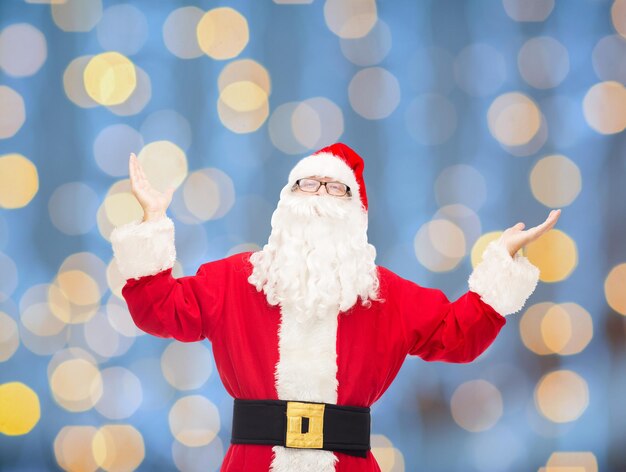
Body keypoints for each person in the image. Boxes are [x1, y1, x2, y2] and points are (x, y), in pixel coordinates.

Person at [111, 143, 561, 472]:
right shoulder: (234, 281)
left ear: (356, 213)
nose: (320, 196)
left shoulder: (385, 296)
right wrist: (152, 222)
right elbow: (160, 309)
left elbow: (458, 335)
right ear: (286, 202)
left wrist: (502, 261)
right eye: (308, 184)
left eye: (335, 188)